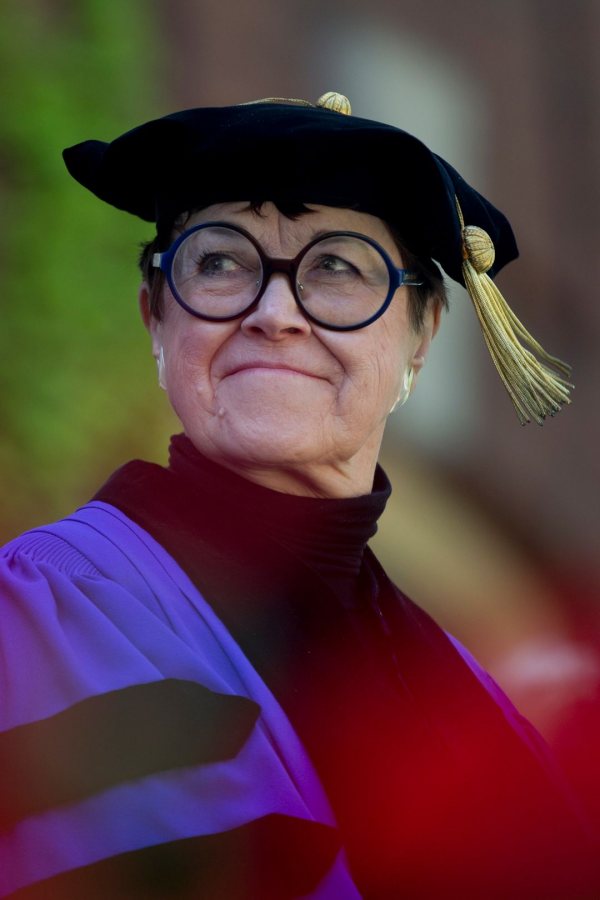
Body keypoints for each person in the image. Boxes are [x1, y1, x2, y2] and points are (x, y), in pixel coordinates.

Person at [0, 92, 595, 899]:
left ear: (422, 335)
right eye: (219, 263)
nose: (275, 313)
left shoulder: (474, 686)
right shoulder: (55, 608)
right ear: (156, 318)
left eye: (338, 267)